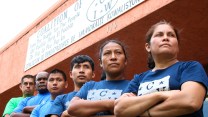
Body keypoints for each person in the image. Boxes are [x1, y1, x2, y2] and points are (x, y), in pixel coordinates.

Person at [114, 20, 208, 117]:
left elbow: (190, 101)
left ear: (177, 46)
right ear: (148, 47)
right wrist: (160, 95)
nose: (166, 38)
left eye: (171, 35)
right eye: (159, 35)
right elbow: (120, 109)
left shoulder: (190, 67)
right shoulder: (138, 79)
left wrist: (143, 112)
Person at [67, 39, 130, 116]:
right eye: (107, 53)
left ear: (125, 61)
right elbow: (73, 107)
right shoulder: (89, 86)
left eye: (118, 53)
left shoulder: (134, 85)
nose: (113, 57)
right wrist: (115, 103)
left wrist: (88, 108)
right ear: (100, 63)